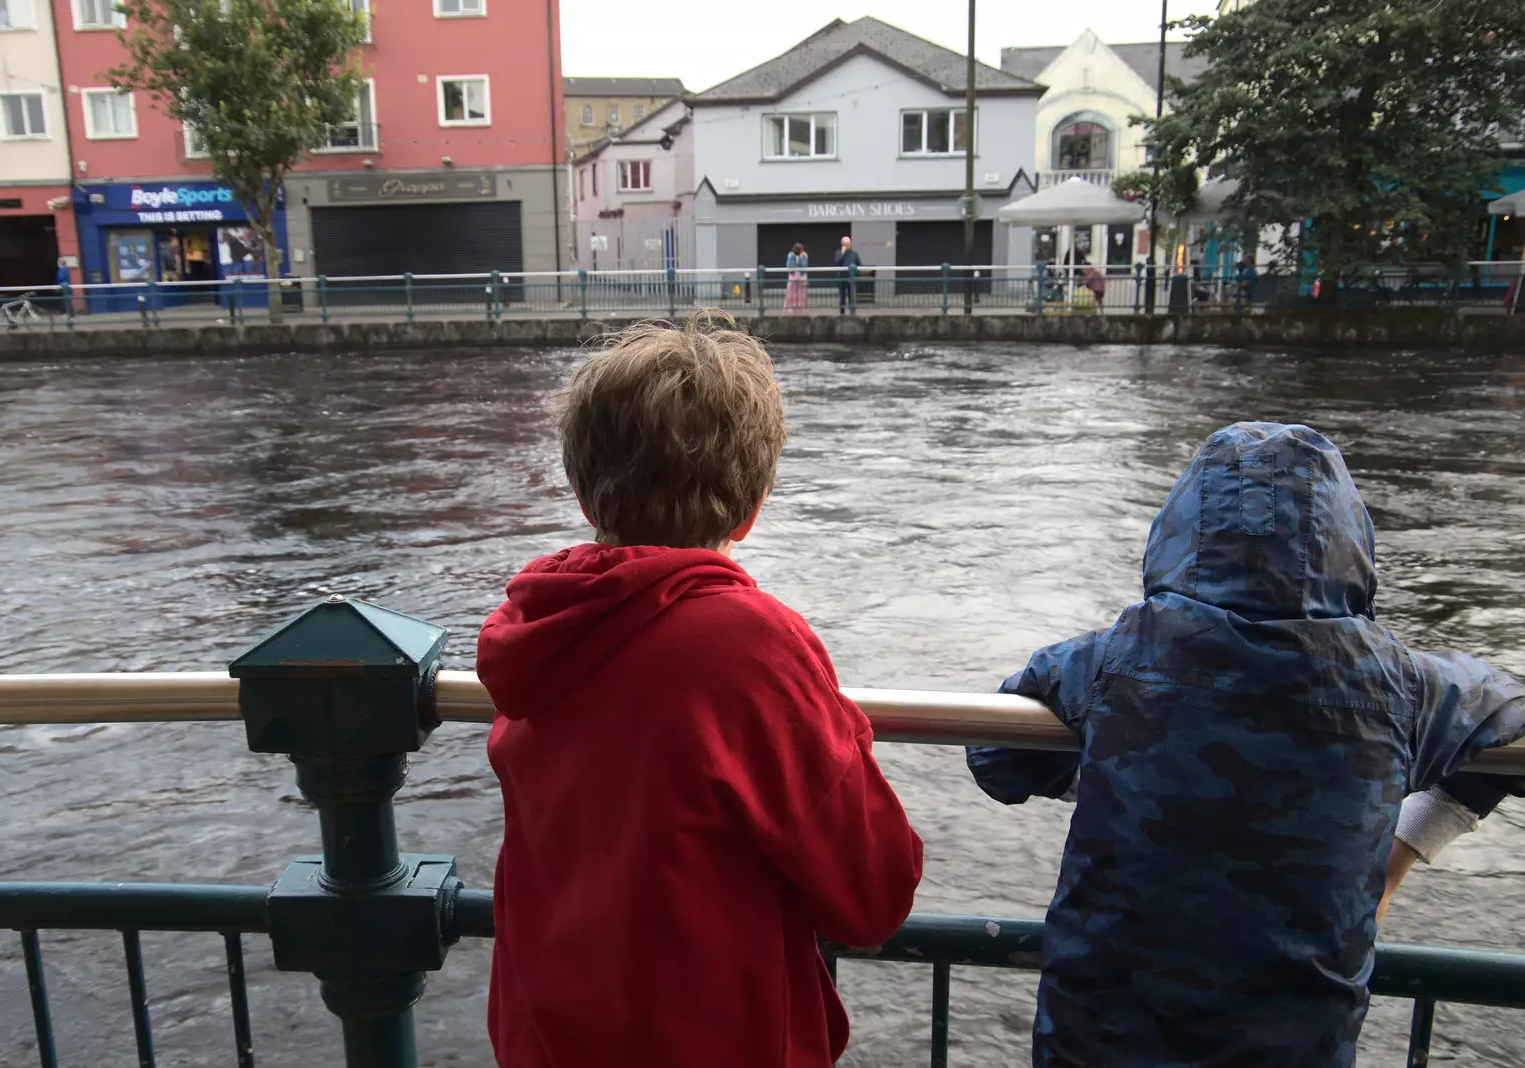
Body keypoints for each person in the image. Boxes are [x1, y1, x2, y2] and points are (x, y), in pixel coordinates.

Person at [965, 422, 1525, 1068]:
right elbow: (1511, 720)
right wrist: (1400, 849)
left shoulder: (1117, 658)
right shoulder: (1400, 687)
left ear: (1178, 534)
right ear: (1350, 547)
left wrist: (1134, 774)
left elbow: (995, 753)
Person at [480, 313, 924, 1068]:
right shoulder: (745, 646)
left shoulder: (537, 626)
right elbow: (873, 892)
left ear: (588, 499)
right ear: (750, 509)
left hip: (549, 1040)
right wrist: (835, 721)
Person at [834, 236, 861, 315]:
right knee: (842, 295)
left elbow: (859, 265)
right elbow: (837, 264)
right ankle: (842, 311)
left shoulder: (854, 254)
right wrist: (843, 254)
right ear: (842, 244)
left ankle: (852, 311)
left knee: (851, 295)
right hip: (841, 278)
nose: (848, 245)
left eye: (849, 244)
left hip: (851, 278)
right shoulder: (838, 253)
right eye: (845, 244)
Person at [784, 242, 809, 312]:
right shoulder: (790, 255)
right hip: (793, 275)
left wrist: (800, 258)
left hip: (802, 275)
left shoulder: (804, 255)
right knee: (791, 292)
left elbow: (804, 265)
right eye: (801, 250)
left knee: (802, 292)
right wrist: (796, 266)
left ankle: (802, 307)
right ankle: (791, 307)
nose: (802, 251)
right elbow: (790, 266)